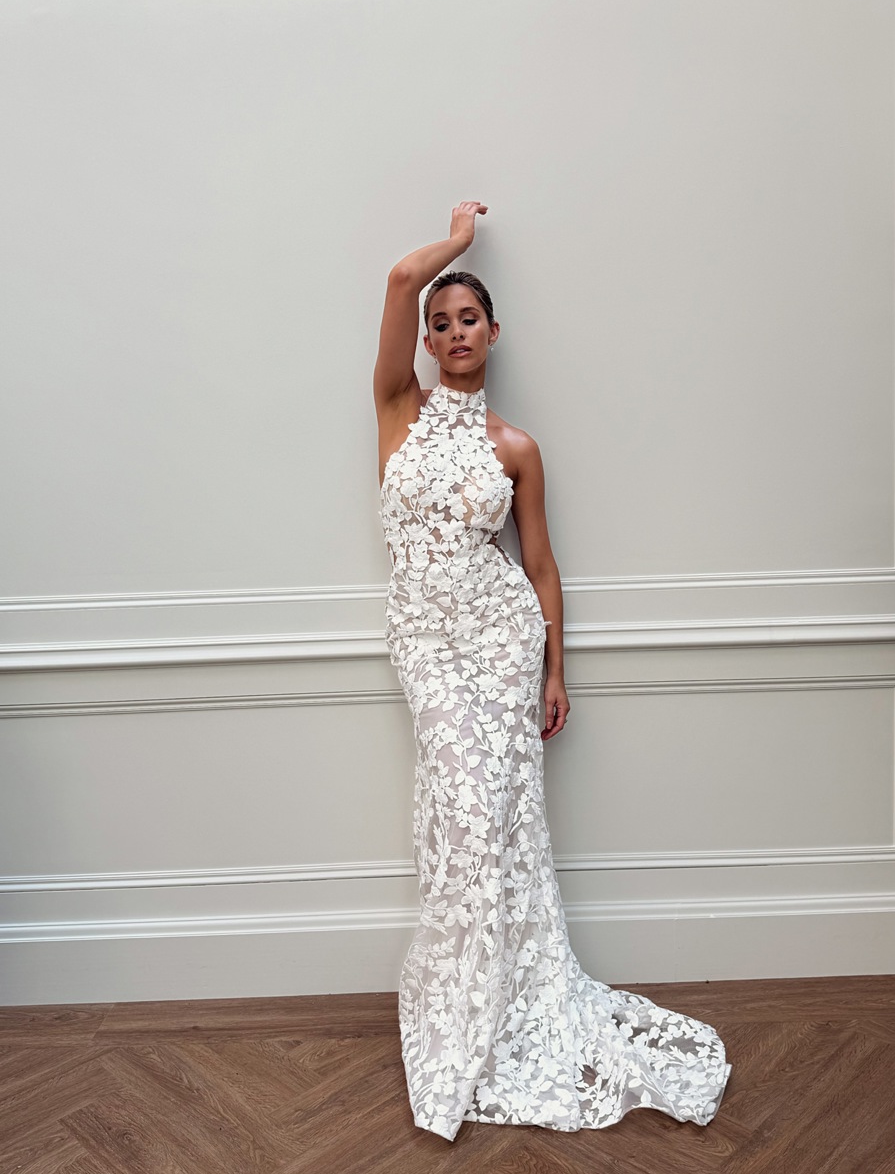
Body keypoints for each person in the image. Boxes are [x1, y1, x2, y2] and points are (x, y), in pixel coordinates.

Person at [374, 201, 731, 1142]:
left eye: (469, 318)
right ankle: (457, 1011)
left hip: (501, 643)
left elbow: (537, 566)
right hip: (425, 641)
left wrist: (553, 671)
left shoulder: (516, 448)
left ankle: (502, 1008)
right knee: (460, 819)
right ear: (426, 340)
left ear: (494, 333)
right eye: (441, 322)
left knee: (496, 823)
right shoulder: (398, 410)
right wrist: (457, 241)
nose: (455, 331)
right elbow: (400, 279)